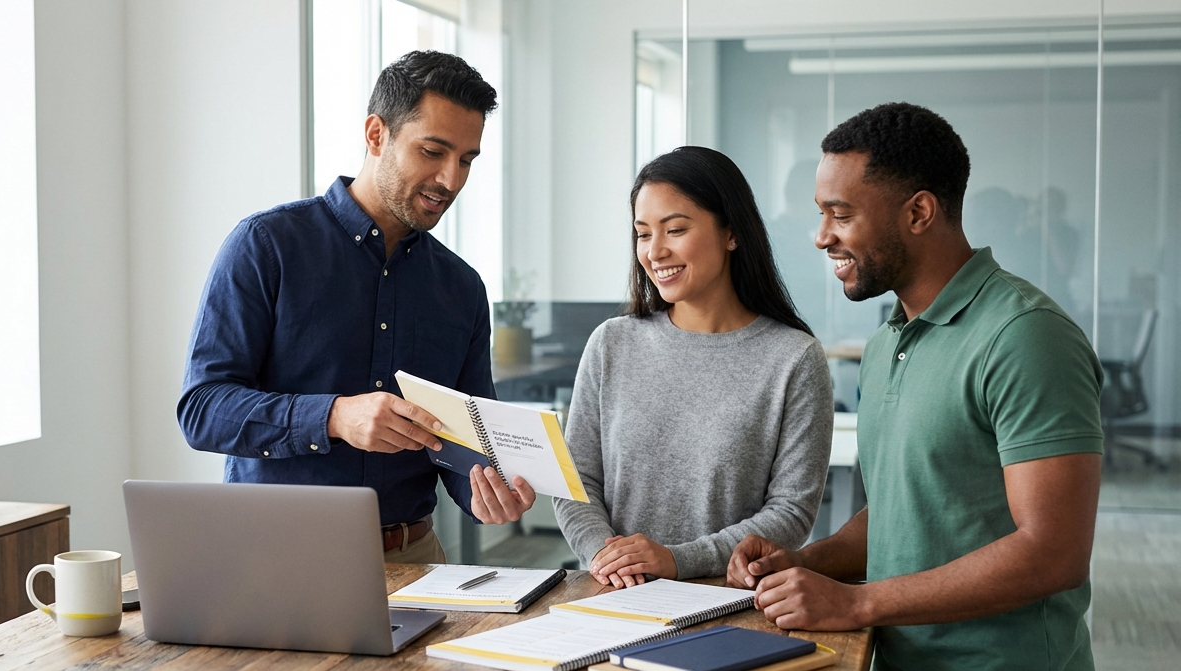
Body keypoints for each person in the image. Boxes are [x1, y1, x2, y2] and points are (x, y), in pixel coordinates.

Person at [729, 103, 1101, 671]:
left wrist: (856, 603)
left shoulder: (1025, 338)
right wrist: (805, 566)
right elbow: (911, 507)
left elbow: (1054, 552)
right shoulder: (887, 342)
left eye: (841, 214)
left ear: (919, 213)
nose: (820, 237)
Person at [177, 51, 535, 565]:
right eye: (432, 151)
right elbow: (202, 410)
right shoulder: (267, 245)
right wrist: (334, 416)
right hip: (275, 557)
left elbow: (461, 443)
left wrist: (487, 490)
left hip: (414, 559)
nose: (451, 180)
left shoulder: (461, 287)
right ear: (376, 134)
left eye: (466, 160)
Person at [553, 146, 833, 588]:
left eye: (676, 229)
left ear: (732, 233)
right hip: (615, 595)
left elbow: (791, 512)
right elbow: (576, 480)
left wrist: (678, 559)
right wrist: (607, 556)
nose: (655, 251)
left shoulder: (795, 359)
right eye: (643, 234)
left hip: (734, 602)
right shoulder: (612, 342)